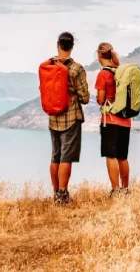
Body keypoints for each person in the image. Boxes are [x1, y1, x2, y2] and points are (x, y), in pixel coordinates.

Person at [48, 32, 90, 204]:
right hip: (71, 118)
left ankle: (56, 192)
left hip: (53, 118)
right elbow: (85, 97)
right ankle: (63, 196)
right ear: (72, 46)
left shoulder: (48, 66)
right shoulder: (76, 69)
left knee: (55, 156)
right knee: (66, 157)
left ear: (57, 44)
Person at [94, 42, 132, 196]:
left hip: (109, 120)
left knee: (111, 156)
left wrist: (100, 98)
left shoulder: (103, 74)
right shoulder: (122, 72)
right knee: (122, 157)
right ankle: (125, 189)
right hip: (125, 120)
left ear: (99, 56)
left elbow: (101, 99)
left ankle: (115, 190)